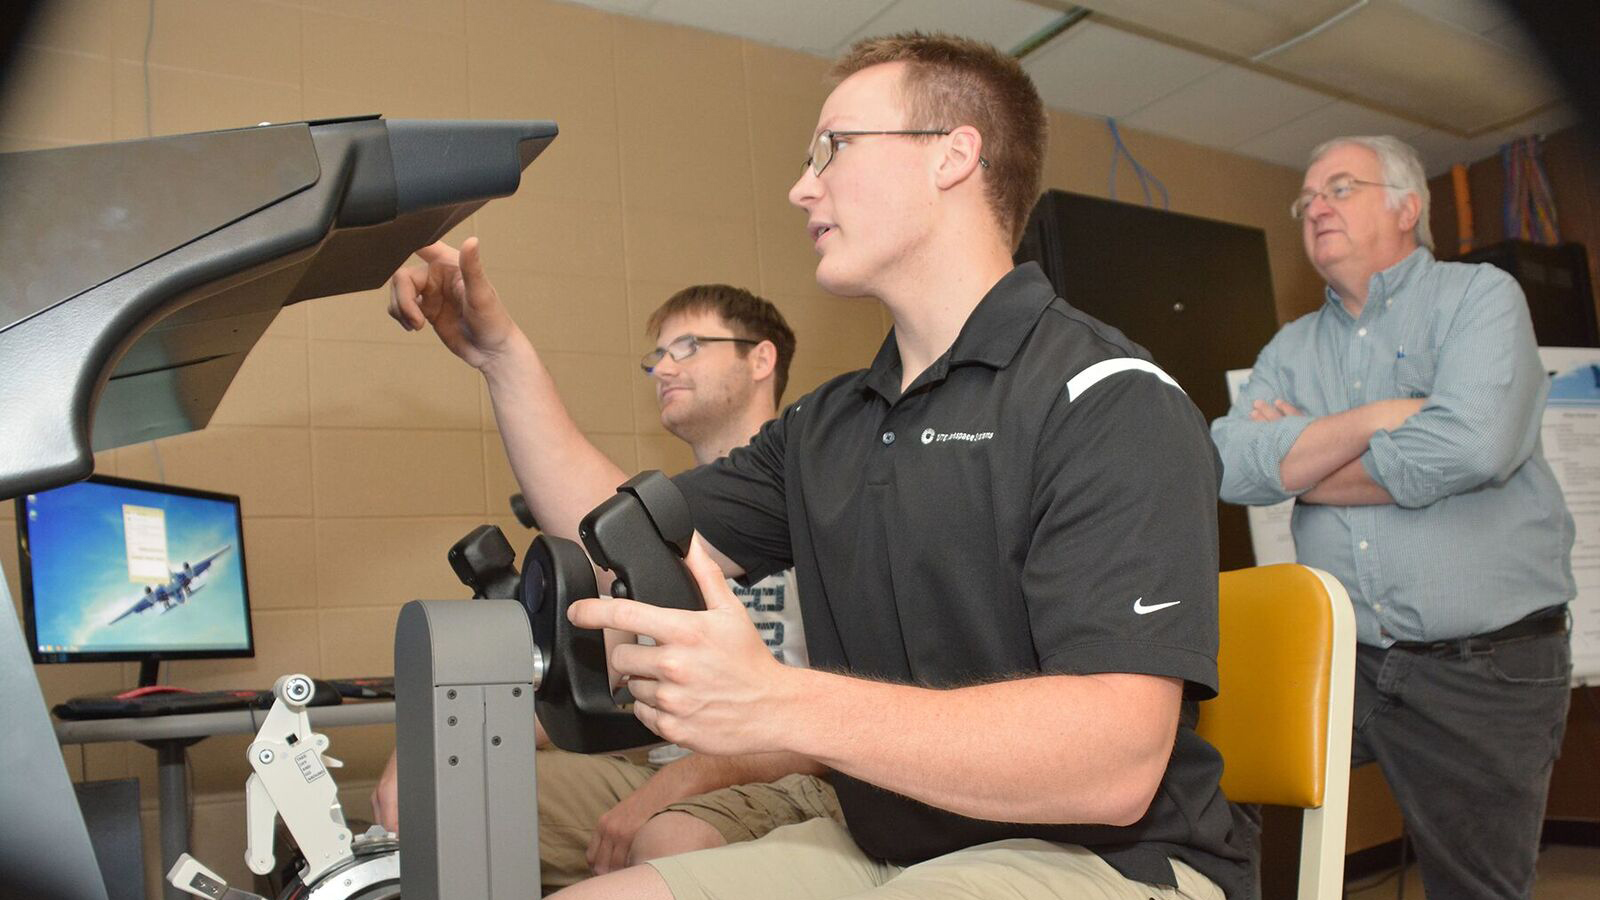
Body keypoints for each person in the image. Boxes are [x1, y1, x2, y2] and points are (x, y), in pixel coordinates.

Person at [540, 32, 1248, 900]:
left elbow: (1114, 766)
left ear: (953, 155)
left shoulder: (1106, 396)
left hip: (1110, 856)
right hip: (893, 837)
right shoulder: (827, 425)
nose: (803, 185)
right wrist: (500, 355)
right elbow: (618, 537)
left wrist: (776, 699)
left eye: (832, 148)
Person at [372, 280, 844, 889]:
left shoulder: (820, 495)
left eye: (689, 346)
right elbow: (608, 677)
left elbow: (847, 710)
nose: (664, 368)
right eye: (657, 356)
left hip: (777, 771)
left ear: (761, 358)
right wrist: (443, 741)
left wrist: (682, 783)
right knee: (443, 792)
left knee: (669, 835)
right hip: (655, 760)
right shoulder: (678, 517)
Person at [1211, 134, 1575, 900]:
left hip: (1483, 665)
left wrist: (1303, 464)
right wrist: (1378, 417)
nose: (1316, 208)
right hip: (1345, 655)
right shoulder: (1289, 347)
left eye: (1339, 188)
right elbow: (1231, 466)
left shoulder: (1479, 298)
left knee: (1475, 889)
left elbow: (1468, 449)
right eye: (1306, 199)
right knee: (1213, 798)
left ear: (1408, 207)